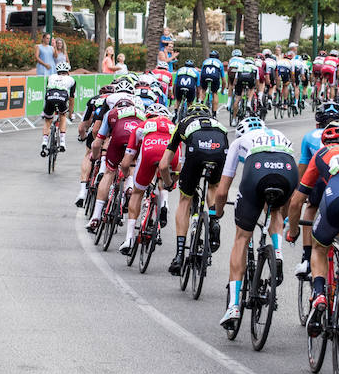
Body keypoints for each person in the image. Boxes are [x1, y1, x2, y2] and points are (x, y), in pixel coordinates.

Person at [287, 123, 339, 337]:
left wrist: (293, 231)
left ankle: (319, 295)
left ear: (325, 142)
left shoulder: (322, 153)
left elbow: (297, 201)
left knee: (319, 247)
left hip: (338, 198)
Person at [215, 117, 297, 328]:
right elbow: (291, 199)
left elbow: (223, 190)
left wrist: (219, 211)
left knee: (242, 237)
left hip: (257, 171)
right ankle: (277, 252)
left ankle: (233, 306)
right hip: (287, 169)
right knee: (277, 211)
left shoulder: (239, 141)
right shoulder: (279, 135)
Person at [160, 103, 228, 276]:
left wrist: (168, 183)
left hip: (196, 152)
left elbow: (163, 165)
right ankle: (214, 221)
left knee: (185, 200)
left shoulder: (182, 123)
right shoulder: (218, 125)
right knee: (212, 186)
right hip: (219, 148)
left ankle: (179, 254)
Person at [293, 101, 339, 277]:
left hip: (320, 180)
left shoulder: (309, 136)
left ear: (318, 123)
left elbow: (303, 167)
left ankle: (307, 258)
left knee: (310, 207)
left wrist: (298, 190)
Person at [118, 103, 178, 254]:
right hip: (172, 152)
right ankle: (164, 202)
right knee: (165, 181)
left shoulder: (143, 125)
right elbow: (179, 165)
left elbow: (126, 161)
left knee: (138, 192)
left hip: (150, 150)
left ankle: (129, 239)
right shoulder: (173, 125)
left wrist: (125, 175)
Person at [86, 99, 146, 233]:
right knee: (132, 163)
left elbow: (96, 143)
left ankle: (96, 216)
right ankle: (130, 185)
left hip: (118, 137)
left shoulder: (111, 113)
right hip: (136, 136)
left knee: (109, 172)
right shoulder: (142, 113)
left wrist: (95, 157)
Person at [40, 61, 76, 156]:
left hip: (50, 96)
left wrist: (43, 111)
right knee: (63, 115)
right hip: (62, 96)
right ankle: (63, 142)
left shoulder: (51, 77)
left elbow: (46, 93)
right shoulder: (71, 79)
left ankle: (44, 143)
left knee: (48, 120)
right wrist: (71, 113)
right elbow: (71, 99)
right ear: (68, 71)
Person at [199, 50, 225, 116]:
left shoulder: (205, 61)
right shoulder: (219, 63)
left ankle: (201, 103)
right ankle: (214, 113)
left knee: (203, 90)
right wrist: (223, 89)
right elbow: (223, 79)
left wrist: (200, 85)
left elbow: (201, 74)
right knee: (215, 93)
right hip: (214, 77)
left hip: (205, 76)